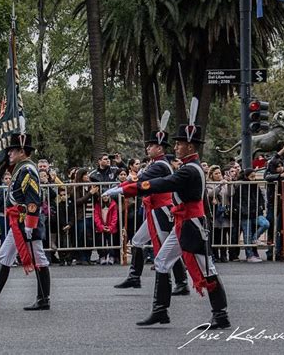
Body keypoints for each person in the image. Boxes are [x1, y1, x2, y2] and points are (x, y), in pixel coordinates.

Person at [105, 122, 230, 329]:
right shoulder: (189, 167)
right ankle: (160, 310)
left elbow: (162, 184)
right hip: (183, 223)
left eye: (180, 144)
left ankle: (221, 314)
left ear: (190, 147)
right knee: (162, 261)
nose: (176, 147)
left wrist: (126, 190)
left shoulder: (189, 170)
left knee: (208, 269)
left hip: (192, 225)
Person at [0, 133, 52, 310]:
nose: (9, 154)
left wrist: (30, 226)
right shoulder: (20, 168)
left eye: (12, 151)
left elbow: (33, 199)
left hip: (27, 221)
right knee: (5, 255)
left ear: (22, 151)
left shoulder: (28, 170)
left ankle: (43, 299)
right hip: (18, 222)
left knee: (38, 257)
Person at [112, 127, 189, 296]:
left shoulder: (160, 165)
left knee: (167, 247)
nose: (148, 148)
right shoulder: (156, 164)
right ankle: (134, 276)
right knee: (138, 241)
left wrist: (119, 188)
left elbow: (141, 181)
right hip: (155, 208)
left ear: (159, 148)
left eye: (151, 146)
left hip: (162, 209)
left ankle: (182, 282)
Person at [94, 195, 119, 265]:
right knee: (101, 242)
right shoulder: (98, 205)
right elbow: (96, 217)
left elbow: (115, 217)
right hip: (101, 227)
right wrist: (101, 227)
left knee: (112, 242)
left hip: (111, 227)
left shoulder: (113, 204)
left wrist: (110, 227)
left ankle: (111, 256)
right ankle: (102, 256)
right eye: (104, 196)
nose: (105, 197)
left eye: (107, 196)